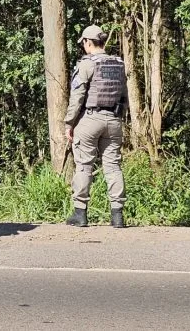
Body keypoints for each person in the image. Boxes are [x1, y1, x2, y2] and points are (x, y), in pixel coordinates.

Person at [65, 24, 127, 228]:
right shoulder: (119, 64)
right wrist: (119, 118)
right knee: (113, 167)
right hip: (114, 120)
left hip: (90, 119)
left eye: (83, 42)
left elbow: (77, 97)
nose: (83, 46)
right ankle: (117, 216)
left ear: (88, 42)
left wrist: (69, 123)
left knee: (84, 166)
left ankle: (80, 213)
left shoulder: (87, 64)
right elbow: (124, 97)